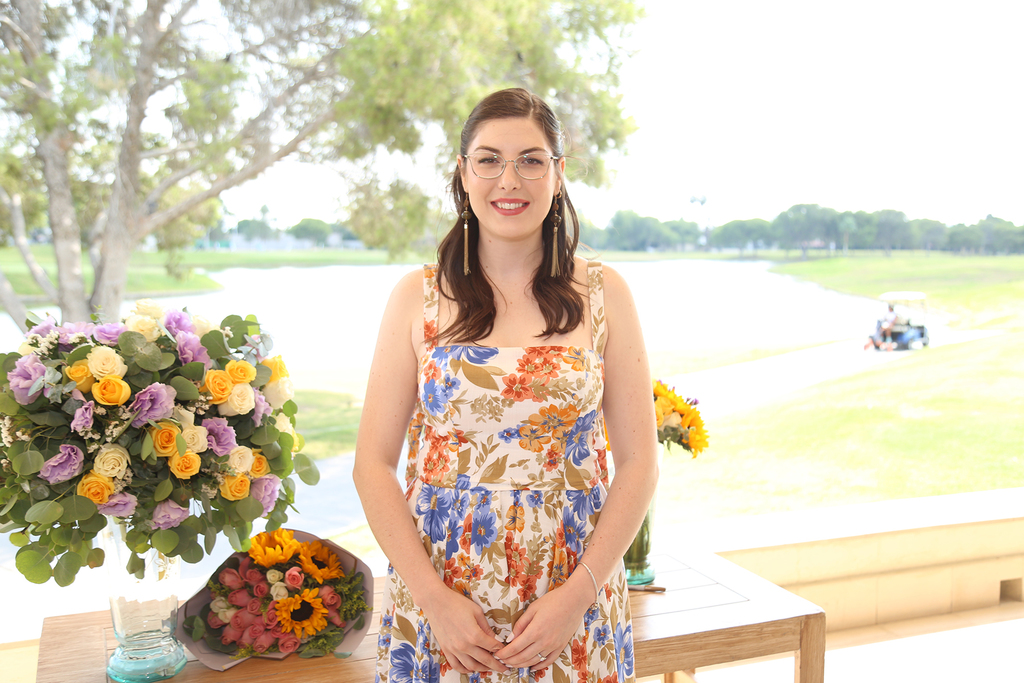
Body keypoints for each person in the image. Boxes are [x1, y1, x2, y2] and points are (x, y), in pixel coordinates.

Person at [353, 87, 659, 682]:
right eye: (489, 160)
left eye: (531, 160)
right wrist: (433, 600)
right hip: (442, 603)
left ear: (558, 174)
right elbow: (372, 464)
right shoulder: (416, 297)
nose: (509, 180)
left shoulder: (605, 294)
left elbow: (640, 462)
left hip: (573, 600)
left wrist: (579, 595)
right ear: (463, 173)